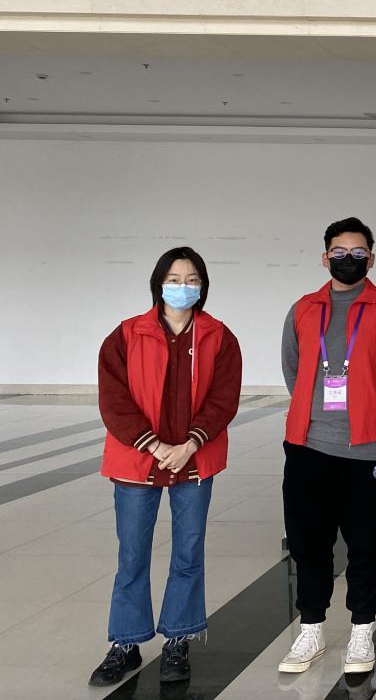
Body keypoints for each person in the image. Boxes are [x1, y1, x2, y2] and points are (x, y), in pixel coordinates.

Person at [277, 217, 376, 677]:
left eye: (358, 253)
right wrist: (313, 411)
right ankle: (312, 627)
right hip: (308, 446)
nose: (348, 259)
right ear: (325, 258)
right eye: (339, 252)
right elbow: (293, 367)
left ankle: (362, 628)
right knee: (309, 543)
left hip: (367, 451)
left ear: (371, 259)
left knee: (364, 543)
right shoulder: (303, 309)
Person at [90, 247, 243, 687]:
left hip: (194, 460)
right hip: (137, 461)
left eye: (192, 279)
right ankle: (125, 643)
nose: (182, 287)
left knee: (188, 553)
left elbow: (224, 398)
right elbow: (114, 400)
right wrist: (153, 445)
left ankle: (178, 639)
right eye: (174, 279)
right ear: (158, 284)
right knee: (132, 554)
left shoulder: (219, 337)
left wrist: (191, 443)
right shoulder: (126, 335)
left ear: (203, 286)